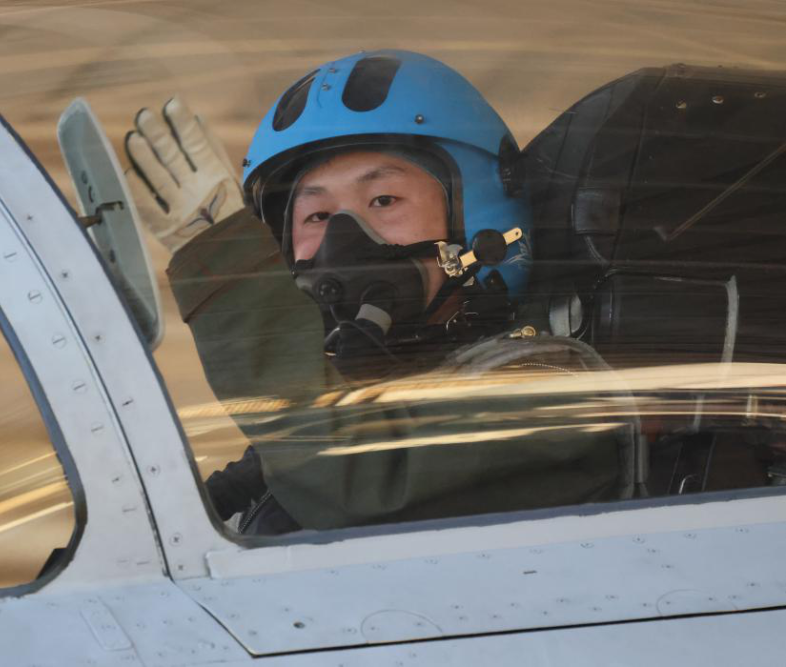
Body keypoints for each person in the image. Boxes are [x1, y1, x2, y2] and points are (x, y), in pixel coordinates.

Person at [124, 51, 786, 534]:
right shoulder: (351, 417)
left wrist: (231, 272)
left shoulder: (552, 388)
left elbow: (361, 488)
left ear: (482, 218)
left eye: (384, 200)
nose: (344, 242)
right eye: (317, 215)